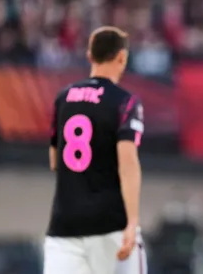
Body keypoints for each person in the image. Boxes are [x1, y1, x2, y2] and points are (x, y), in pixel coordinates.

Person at [45, 26, 147, 274]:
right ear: (122, 57)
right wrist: (132, 221)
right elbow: (127, 163)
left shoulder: (64, 97)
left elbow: (55, 161)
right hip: (110, 224)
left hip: (64, 225)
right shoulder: (125, 102)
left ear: (89, 56)